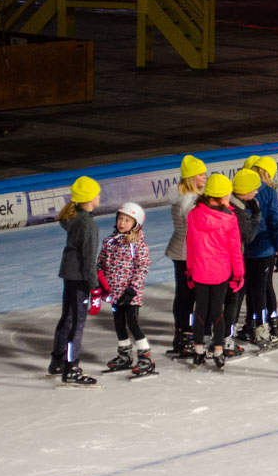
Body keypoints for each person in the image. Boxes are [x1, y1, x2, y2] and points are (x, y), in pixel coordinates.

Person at [186, 174, 245, 369]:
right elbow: (235, 249)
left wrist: (190, 270)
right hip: (220, 273)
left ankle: (198, 350)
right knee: (217, 311)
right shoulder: (229, 219)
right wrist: (238, 274)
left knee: (200, 310)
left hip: (200, 272)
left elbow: (191, 245)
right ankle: (218, 350)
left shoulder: (194, 214)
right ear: (220, 197)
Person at [50, 176, 102, 385]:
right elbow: (89, 260)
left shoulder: (73, 218)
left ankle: (57, 360)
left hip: (68, 274)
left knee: (67, 318)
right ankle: (71, 367)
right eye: (97, 193)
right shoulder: (88, 225)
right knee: (77, 323)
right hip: (80, 278)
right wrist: (94, 287)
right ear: (89, 198)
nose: (99, 197)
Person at [98, 202, 155, 377]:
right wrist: (99, 277)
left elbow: (142, 268)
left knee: (133, 323)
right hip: (114, 292)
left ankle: (145, 356)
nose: (122, 223)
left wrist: (132, 289)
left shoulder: (138, 245)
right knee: (118, 323)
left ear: (136, 224)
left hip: (130, 294)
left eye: (127, 220)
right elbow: (101, 262)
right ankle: (124, 354)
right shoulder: (109, 241)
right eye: (120, 219)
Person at [240, 155, 278, 346]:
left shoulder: (240, 190)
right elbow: (276, 222)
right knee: (264, 288)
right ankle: (267, 327)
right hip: (264, 249)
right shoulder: (268, 192)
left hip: (244, 249)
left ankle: (252, 324)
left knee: (252, 289)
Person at [166, 154, 207, 355]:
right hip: (188, 253)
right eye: (201, 174)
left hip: (179, 250)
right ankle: (187, 334)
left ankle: (181, 334)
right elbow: (196, 229)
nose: (205, 177)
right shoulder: (190, 201)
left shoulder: (181, 196)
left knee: (182, 295)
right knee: (188, 296)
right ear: (191, 178)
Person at [221, 169, 263, 357]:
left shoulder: (233, 205)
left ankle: (220, 337)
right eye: (254, 189)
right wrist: (256, 216)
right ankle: (225, 339)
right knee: (233, 299)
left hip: (224, 261)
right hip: (231, 262)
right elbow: (248, 236)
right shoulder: (237, 211)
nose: (256, 193)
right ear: (245, 190)